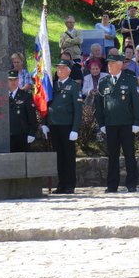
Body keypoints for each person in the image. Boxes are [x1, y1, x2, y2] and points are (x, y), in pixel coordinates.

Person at [95, 54, 139, 193]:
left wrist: (137, 121)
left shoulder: (130, 80)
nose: (109, 65)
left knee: (129, 154)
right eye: (108, 63)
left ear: (120, 64)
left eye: (112, 63)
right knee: (112, 155)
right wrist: (101, 123)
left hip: (127, 124)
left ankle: (131, 184)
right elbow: (99, 105)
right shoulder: (103, 82)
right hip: (110, 124)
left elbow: (136, 103)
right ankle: (112, 185)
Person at [46, 59, 83, 194]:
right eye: (58, 68)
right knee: (59, 157)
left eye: (62, 68)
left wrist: (75, 129)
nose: (59, 70)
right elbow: (47, 105)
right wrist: (45, 123)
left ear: (69, 70)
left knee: (68, 156)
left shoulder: (73, 86)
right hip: (54, 125)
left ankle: (70, 184)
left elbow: (78, 109)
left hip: (67, 126)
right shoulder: (53, 85)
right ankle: (61, 184)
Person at [8, 70, 38, 153]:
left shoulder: (26, 95)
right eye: (10, 80)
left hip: (22, 135)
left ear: (18, 80)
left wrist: (32, 132)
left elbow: (32, 116)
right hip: (6, 137)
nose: (13, 82)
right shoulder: (2, 96)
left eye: (15, 79)